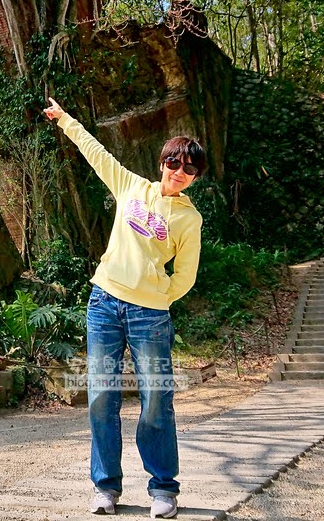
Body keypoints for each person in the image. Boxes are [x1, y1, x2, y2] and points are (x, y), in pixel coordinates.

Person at [43, 96, 205, 519]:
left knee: (155, 400)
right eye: (175, 164)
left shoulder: (189, 219)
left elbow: (185, 274)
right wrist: (65, 120)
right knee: (101, 397)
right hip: (104, 303)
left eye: (190, 169)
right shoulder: (132, 186)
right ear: (163, 162)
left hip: (150, 315)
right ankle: (105, 487)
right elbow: (97, 153)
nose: (180, 174)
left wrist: (159, 296)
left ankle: (163, 488)